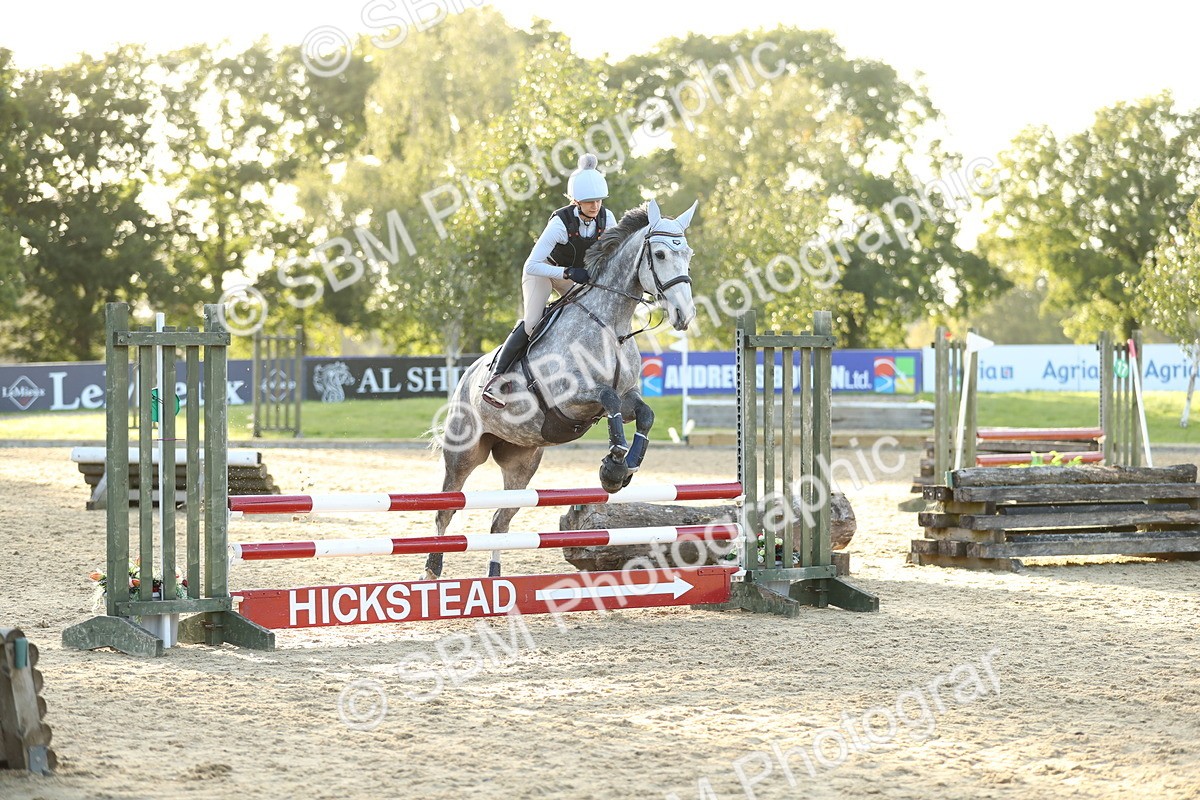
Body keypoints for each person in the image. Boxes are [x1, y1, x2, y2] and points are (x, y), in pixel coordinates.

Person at [482, 153, 619, 408]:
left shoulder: (606, 219)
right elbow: (531, 264)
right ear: (576, 200)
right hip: (543, 272)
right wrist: (567, 273)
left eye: (598, 200)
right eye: (589, 202)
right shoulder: (560, 223)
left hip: (574, 276)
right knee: (534, 321)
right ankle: (497, 377)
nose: (595, 206)